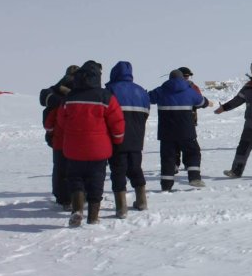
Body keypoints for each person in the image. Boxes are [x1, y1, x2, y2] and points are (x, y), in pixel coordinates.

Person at [57, 61, 125, 227]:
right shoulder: (106, 96)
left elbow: (61, 121)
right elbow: (117, 122)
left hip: (73, 147)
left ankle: (77, 209)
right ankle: (93, 216)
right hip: (98, 148)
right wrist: (117, 139)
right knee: (96, 180)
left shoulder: (69, 97)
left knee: (75, 179)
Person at [148, 69, 212, 191]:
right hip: (186, 131)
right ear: (182, 78)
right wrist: (207, 102)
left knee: (167, 157)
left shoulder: (161, 91)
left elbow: (147, 98)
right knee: (193, 153)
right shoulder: (189, 91)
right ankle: (194, 178)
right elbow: (201, 102)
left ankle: (166, 186)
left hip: (166, 132)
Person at [105, 61, 151, 216]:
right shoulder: (141, 91)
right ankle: (142, 201)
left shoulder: (110, 90)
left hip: (116, 138)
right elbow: (146, 113)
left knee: (118, 170)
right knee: (136, 167)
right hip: (137, 136)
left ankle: (121, 207)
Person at [40, 65, 79, 210]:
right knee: (78, 170)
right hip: (77, 139)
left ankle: (63, 198)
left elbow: (48, 120)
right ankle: (78, 197)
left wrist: (50, 133)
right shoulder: (82, 92)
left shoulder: (55, 92)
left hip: (59, 139)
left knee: (60, 170)